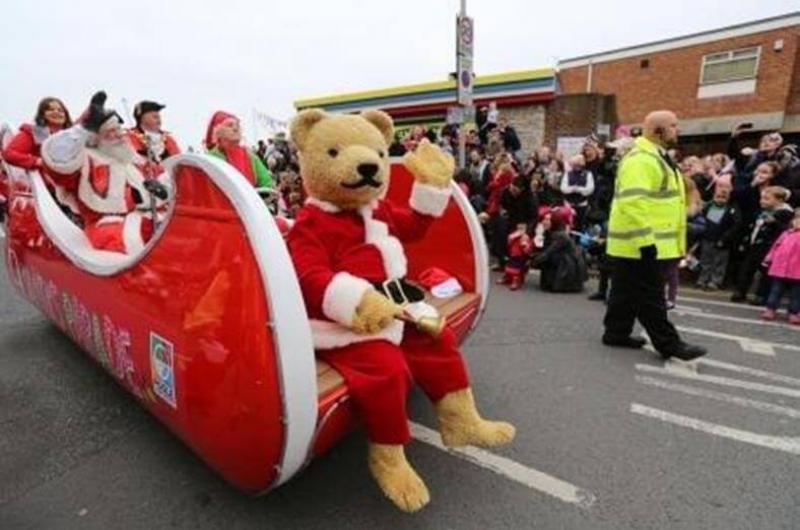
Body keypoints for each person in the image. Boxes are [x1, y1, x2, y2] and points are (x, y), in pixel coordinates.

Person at [602, 110, 706, 361]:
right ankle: (669, 344)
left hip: (633, 244)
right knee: (651, 296)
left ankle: (616, 332)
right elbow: (633, 203)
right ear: (658, 130)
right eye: (673, 125)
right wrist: (646, 241)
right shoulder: (643, 160)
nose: (677, 130)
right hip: (642, 243)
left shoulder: (655, 157)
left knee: (624, 290)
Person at [41, 91, 170, 254]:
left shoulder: (133, 158)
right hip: (109, 224)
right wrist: (83, 128)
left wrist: (164, 191)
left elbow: (166, 179)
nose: (119, 135)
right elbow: (57, 156)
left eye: (119, 129)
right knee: (143, 240)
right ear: (96, 138)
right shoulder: (85, 161)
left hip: (152, 216)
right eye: (110, 131)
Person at [3, 97, 79, 213]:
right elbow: (10, 154)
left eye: (60, 110)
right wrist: (39, 162)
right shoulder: (36, 133)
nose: (56, 112)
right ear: (42, 115)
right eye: (50, 109)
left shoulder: (73, 136)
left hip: (77, 188)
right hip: (52, 192)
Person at [731, 186, 794, 304]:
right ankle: (740, 291)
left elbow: (785, 230)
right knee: (746, 269)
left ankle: (761, 296)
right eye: (762, 198)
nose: (762, 201)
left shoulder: (785, 214)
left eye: (767, 199)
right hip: (755, 244)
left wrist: (774, 223)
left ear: (779, 200)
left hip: (769, 247)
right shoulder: (761, 211)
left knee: (765, 272)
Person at [205, 111, 273, 189]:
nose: (235, 128)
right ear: (218, 131)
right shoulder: (210, 158)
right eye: (229, 125)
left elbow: (267, 183)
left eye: (237, 125)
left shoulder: (249, 156)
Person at [695, 186, 739, 290]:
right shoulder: (707, 207)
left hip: (722, 240)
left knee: (719, 262)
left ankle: (715, 281)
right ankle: (702, 279)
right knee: (705, 260)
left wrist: (725, 238)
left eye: (723, 197)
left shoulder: (731, 210)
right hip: (707, 237)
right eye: (718, 197)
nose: (720, 199)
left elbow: (735, 226)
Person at [532, 209, 586, 293]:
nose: (544, 222)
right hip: (563, 259)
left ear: (554, 221)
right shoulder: (549, 232)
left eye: (547, 220)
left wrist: (533, 261)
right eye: (544, 219)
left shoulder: (560, 236)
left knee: (550, 258)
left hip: (568, 264)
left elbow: (548, 252)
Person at [761, 209, 800, 324]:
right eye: (796, 219)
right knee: (775, 290)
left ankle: (793, 312)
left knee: (796, 294)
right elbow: (776, 246)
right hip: (780, 268)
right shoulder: (786, 233)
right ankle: (770, 308)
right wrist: (769, 257)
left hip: (797, 271)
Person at [126, 100, 180, 169]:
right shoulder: (130, 137)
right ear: (142, 118)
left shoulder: (168, 139)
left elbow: (178, 161)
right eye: (155, 117)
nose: (159, 120)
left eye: (159, 117)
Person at [560, 154, 594, 230]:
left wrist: (578, 189)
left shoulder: (588, 174)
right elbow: (563, 188)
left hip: (582, 205)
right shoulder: (568, 174)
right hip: (569, 204)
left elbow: (589, 189)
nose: (577, 166)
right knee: (568, 225)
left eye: (578, 164)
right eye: (575, 164)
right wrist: (572, 189)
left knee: (580, 226)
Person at [498, 222, 532, 290]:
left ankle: (516, 281)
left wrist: (525, 247)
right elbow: (508, 243)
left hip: (520, 256)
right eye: (519, 228)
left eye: (522, 228)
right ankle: (507, 278)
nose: (520, 230)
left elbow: (527, 248)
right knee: (508, 266)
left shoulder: (525, 237)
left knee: (517, 269)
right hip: (513, 254)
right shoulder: (513, 235)